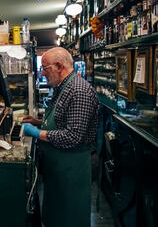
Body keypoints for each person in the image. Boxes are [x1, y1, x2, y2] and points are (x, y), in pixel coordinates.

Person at [21, 47, 99, 227]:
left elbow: (73, 136)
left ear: (58, 66)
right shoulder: (63, 87)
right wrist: (38, 122)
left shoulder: (79, 91)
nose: (43, 73)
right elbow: (61, 119)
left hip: (72, 167)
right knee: (56, 216)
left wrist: (36, 133)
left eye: (45, 68)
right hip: (59, 166)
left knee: (70, 218)